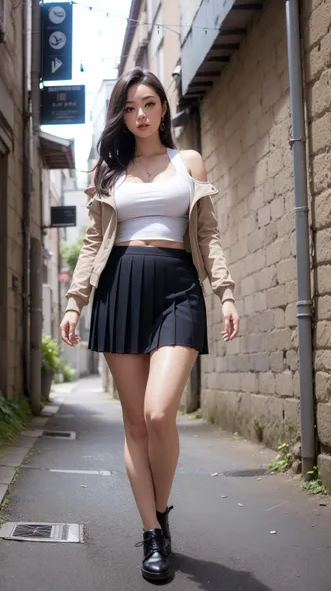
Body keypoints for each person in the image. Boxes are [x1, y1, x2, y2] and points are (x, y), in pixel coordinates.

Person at [60, 67, 240, 582]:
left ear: (164, 108)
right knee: (135, 422)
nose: (141, 116)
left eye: (150, 105)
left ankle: (159, 512)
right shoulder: (109, 170)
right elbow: (94, 242)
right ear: (123, 114)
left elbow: (207, 234)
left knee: (161, 413)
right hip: (120, 287)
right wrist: (76, 302)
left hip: (179, 286)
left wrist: (225, 293)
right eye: (132, 107)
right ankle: (152, 533)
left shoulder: (187, 162)